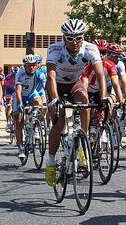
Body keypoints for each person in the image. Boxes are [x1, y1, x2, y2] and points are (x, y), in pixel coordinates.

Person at [45, 18, 106, 187]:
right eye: (70, 38)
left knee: (85, 103)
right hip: (55, 85)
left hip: (74, 84)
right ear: (64, 38)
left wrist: (104, 96)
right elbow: (50, 75)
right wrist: (55, 99)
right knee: (59, 122)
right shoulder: (55, 49)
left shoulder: (91, 48)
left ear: (83, 37)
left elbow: (100, 74)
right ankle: (50, 162)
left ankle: (82, 142)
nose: (75, 42)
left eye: (78, 38)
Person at [13, 53, 48, 160]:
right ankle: (20, 147)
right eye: (29, 65)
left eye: (34, 64)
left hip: (32, 94)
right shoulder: (20, 73)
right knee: (18, 121)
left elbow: (45, 87)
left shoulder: (39, 73)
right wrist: (20, 103)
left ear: (37, 65)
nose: (32, 67)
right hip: (20, 97)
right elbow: (18, 90)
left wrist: (49, 98)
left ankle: (35, 121)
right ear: (25, 65)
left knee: (41, 104)